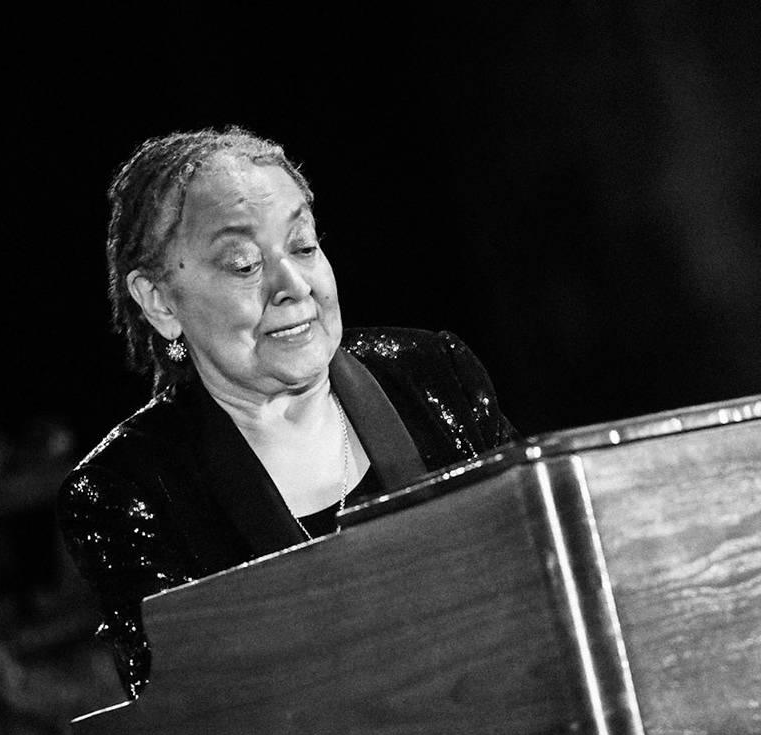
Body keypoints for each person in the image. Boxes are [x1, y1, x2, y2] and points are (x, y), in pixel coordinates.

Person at [57, 128, 515, 696]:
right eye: (244, 264)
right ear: (159, 301)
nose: (292, 286)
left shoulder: (433, 376)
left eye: (302, 246)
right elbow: (190, 727)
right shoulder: (127, 492)